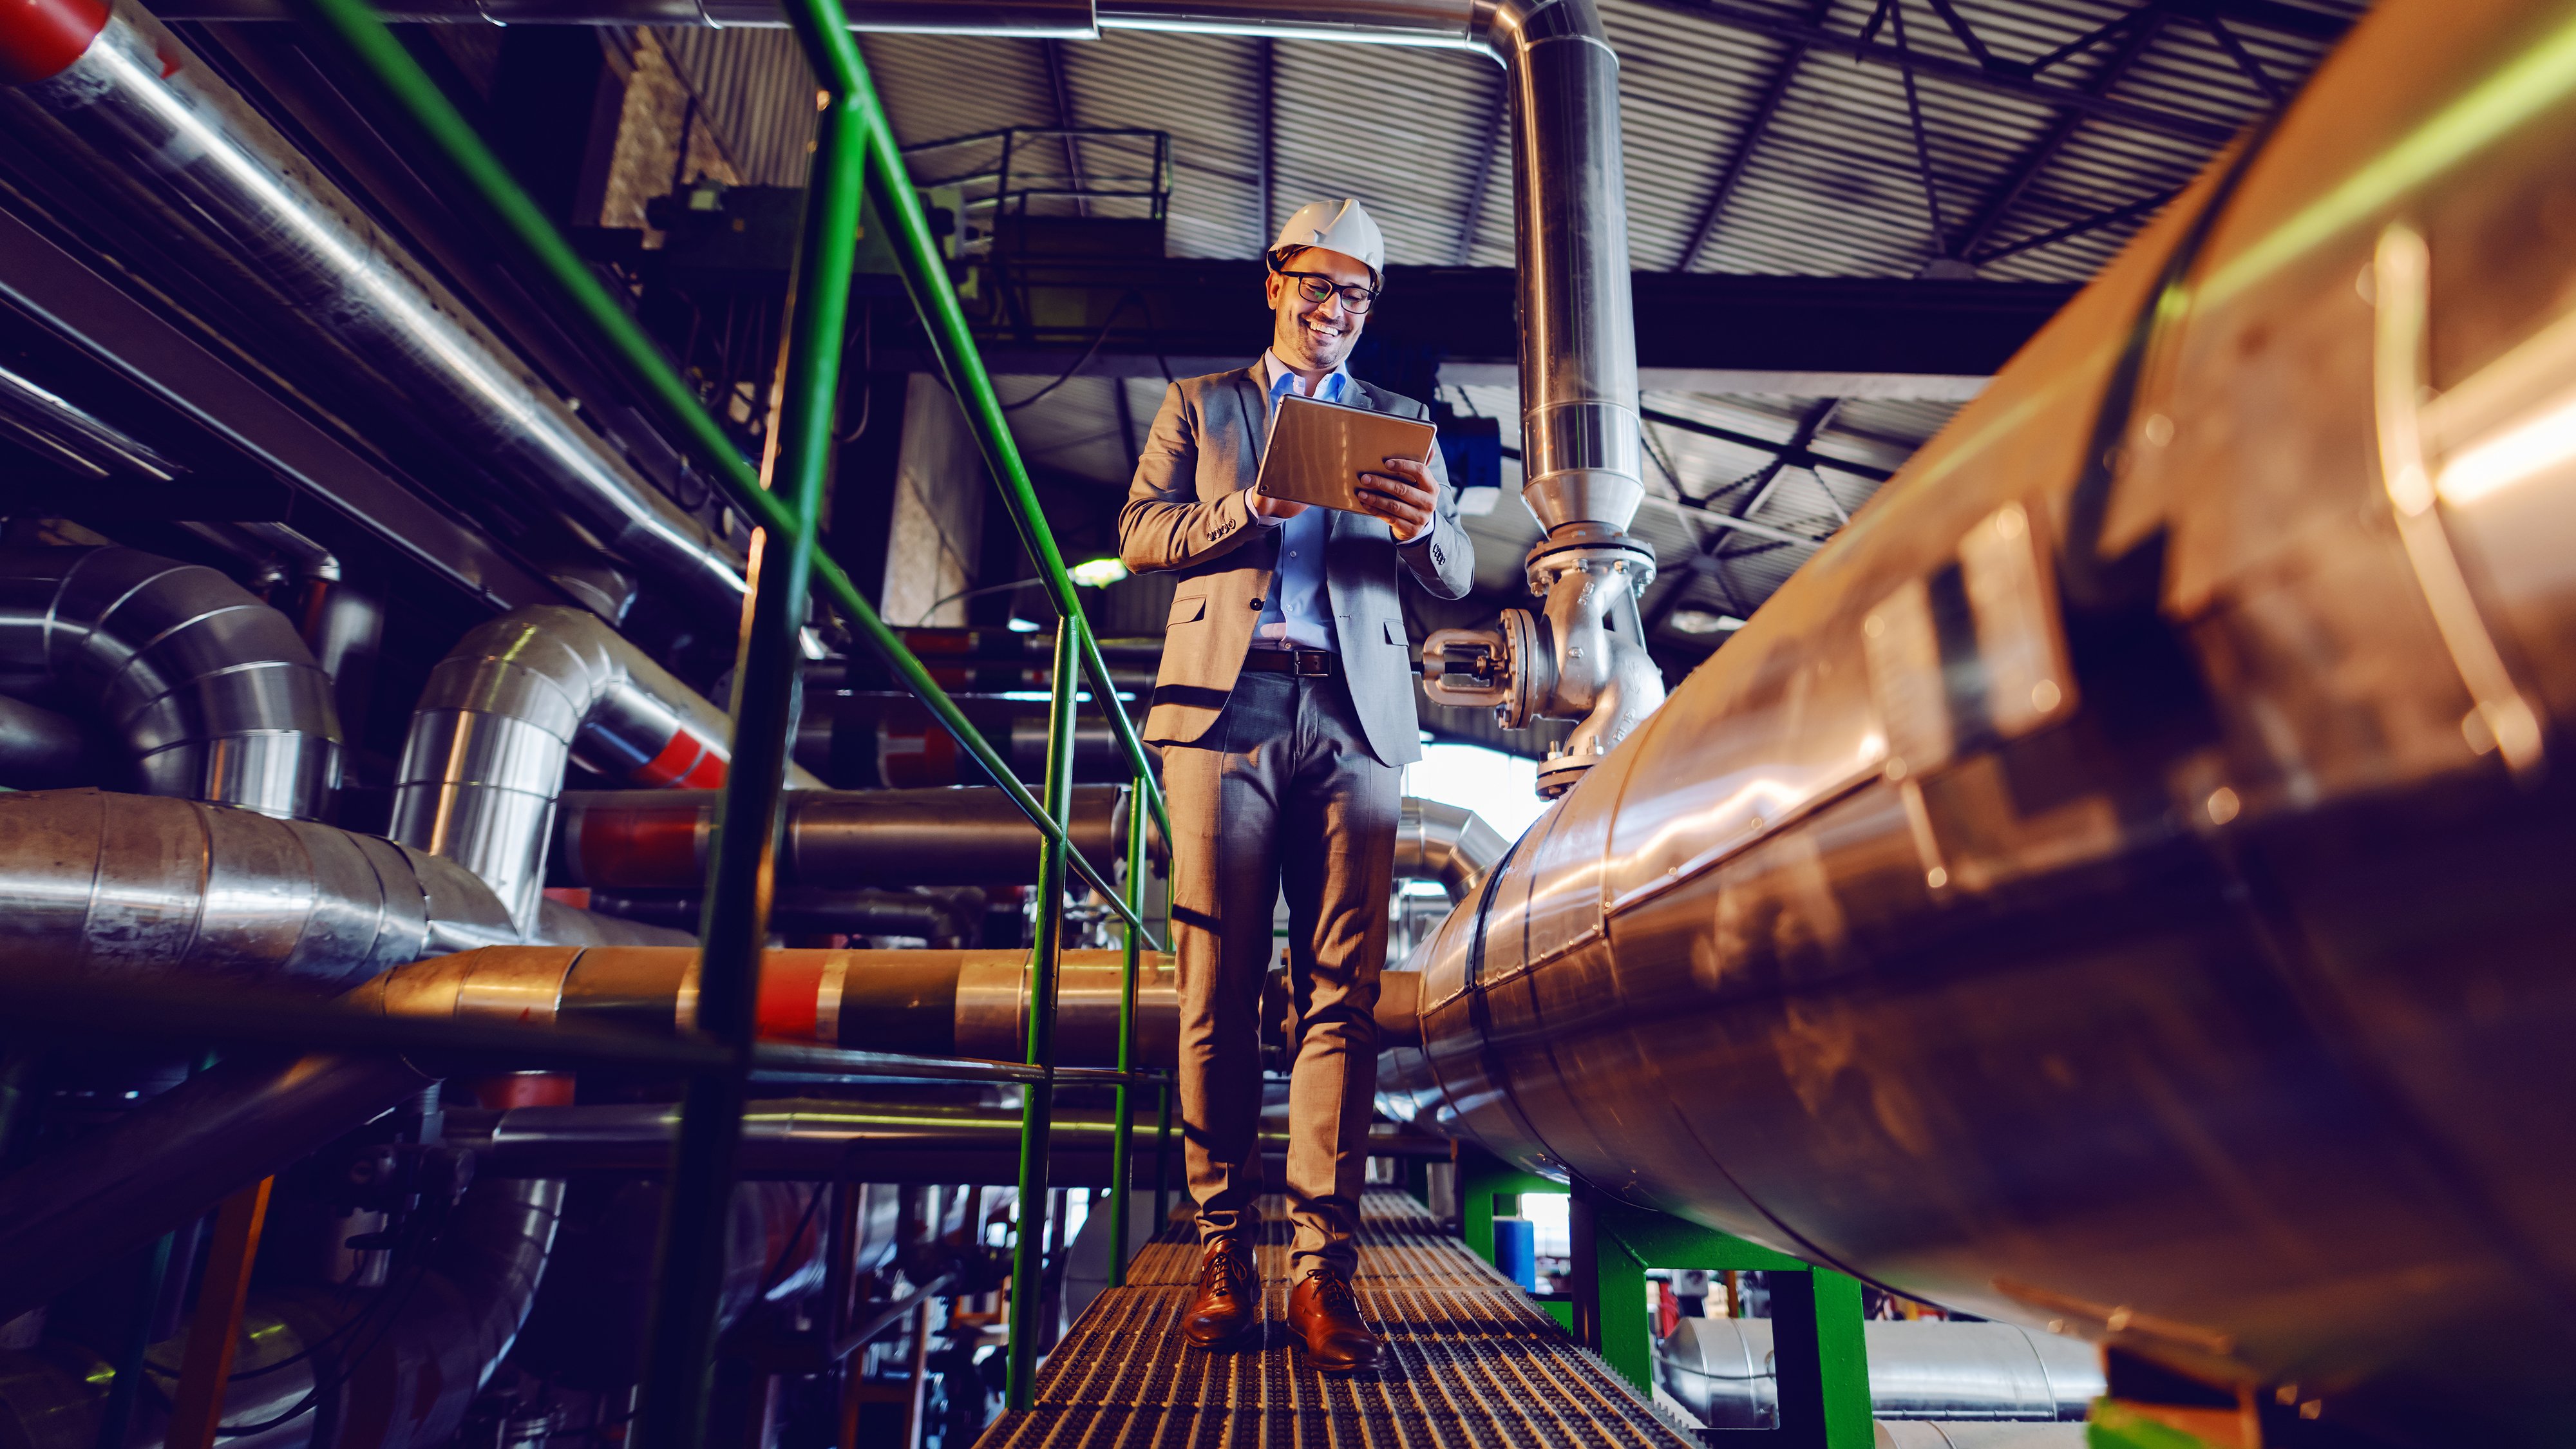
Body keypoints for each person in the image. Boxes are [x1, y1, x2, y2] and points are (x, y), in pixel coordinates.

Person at [1117, 198, 1474, 1372]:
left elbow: (1460, 570)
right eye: (1318, 290)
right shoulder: (1204, 404)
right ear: (1276, 283)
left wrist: (1426, 530)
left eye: (1357, 298)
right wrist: (1249, 508)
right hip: (1227, 712)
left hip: (1358, 718)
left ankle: (1324, 1275)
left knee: (1344, 996)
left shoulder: (1403, 423)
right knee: (1215, 983)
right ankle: (1225, 1255)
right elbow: (1140, 535)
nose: (1335, 313)